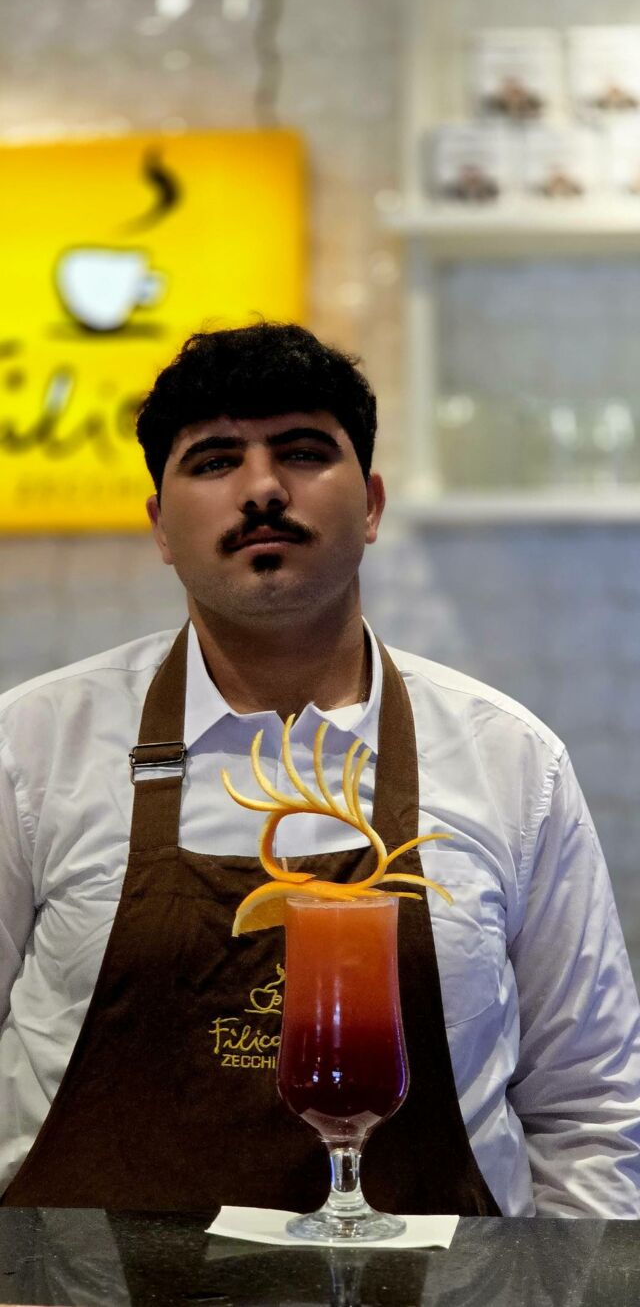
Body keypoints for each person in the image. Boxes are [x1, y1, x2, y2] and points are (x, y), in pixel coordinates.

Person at [0, 321, 639, 1217]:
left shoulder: (511, 762)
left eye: (302, 452)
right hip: (76, 1284)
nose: (262, 489)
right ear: (161, 528)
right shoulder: (32, 747)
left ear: (371, 506)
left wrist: (577, 1282)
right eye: (215, 461)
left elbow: (590, 1110)